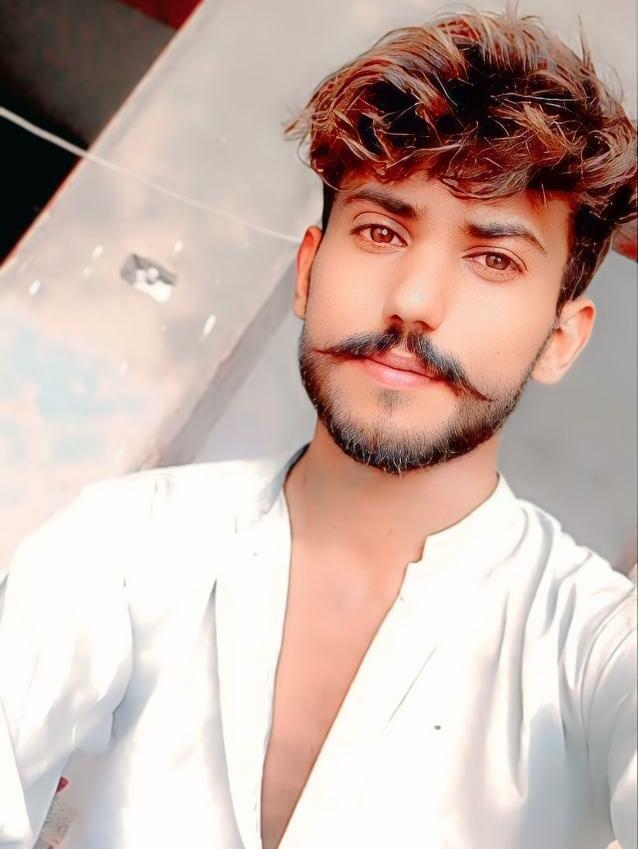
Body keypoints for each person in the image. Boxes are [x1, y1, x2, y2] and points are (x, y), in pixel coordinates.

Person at [1, 6, 636, 849]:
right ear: (308, 271)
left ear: (561, 338)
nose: (414, 300)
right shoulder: (124, 542)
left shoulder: (592, 643)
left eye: (494, 259)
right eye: (380, 230)